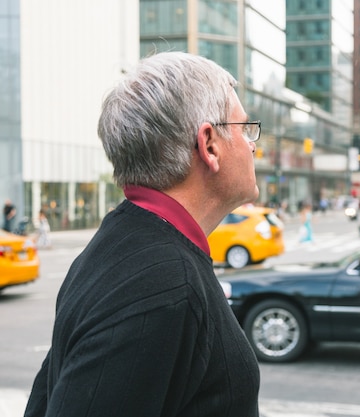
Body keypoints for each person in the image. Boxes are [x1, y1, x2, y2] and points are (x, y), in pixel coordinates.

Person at [24, 52, 261, 417]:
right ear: (209, 144)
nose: (253, 144)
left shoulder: (121, 242)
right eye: (245, 129)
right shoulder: (163, 283)